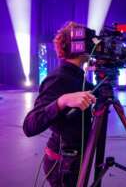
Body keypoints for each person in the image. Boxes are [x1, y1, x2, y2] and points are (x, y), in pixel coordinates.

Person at [23, 21, 96, 187]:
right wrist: (61, 101)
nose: (94, 46)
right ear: (79, 46)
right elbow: (29, 126)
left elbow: (92, 95)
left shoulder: (77, 75)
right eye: (90, 41)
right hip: (62, 163)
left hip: (75, 157)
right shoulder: (58, 78)